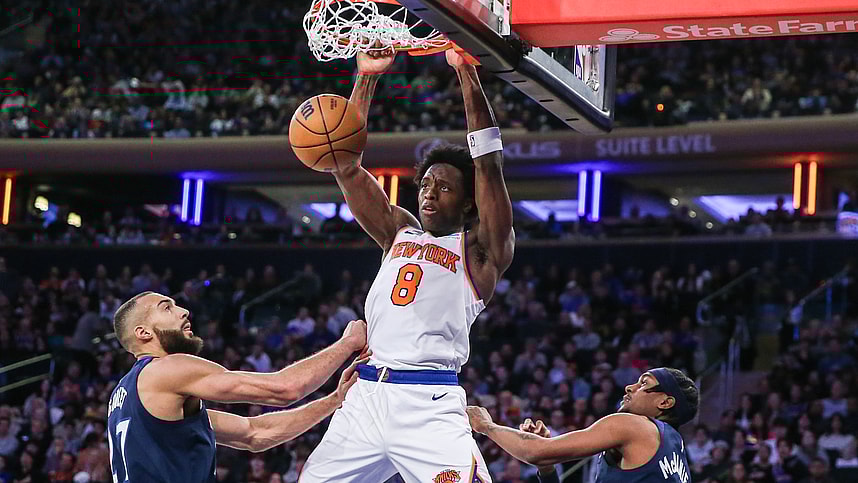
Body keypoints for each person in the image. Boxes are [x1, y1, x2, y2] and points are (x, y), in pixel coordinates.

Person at [300, 46, 514, 482]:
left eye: (445, 187)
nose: (429, 192)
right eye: (426, 183)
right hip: (365, 397)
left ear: (469, 202)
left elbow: (488, 165)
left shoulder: (480, 250)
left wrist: (467, 74)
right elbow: (345, 163)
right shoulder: (398, 231)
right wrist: (367, 78)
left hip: (428, 402)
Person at [107, 291, 369, 482]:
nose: (183, 311)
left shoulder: (127, 395)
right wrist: (347, 344)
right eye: (166, 308)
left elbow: (254, 434)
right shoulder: (168, 368)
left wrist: (334, 400)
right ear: (143, 333)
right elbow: (285, 389)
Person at [467, 368, 699, 483]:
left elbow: (533, 452)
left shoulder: (633, 426)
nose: (630, 387)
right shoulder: (676, 451)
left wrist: (486, 425)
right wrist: (547, 468)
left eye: (644, 383)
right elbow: (541, 456)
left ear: (665, 402)